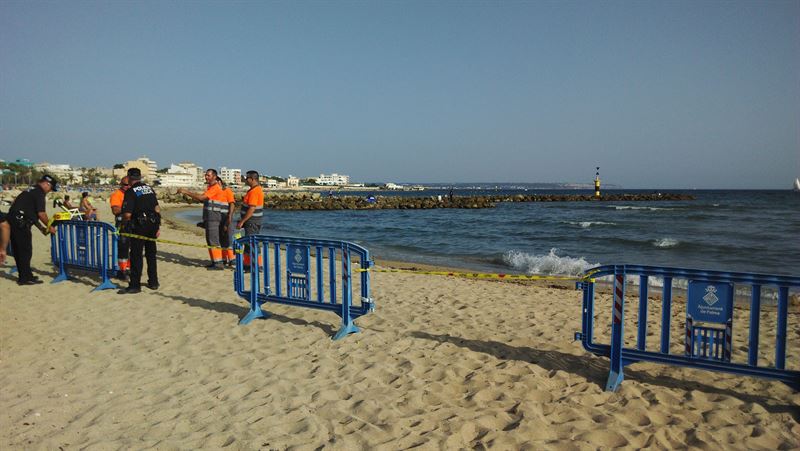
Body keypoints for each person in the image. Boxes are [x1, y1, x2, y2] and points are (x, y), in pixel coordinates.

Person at [7, 175, 58, 285]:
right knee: (25, 251)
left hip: (13, 219)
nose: (49, 191)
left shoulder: (31, 190)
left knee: (18, 250)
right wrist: (50, 226)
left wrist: (41, 229)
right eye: (50, 188)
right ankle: (24, 278)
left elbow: (31, 215)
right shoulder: (39, 193)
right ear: (47, 184)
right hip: (20, 222)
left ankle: (26, 275)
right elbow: (41, 214)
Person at [118, 168, 160, 294]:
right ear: (140, 177)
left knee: (136, 255)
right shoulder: (149, 189)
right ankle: (153, 282)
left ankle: (135, 285)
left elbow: (127, 214)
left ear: (129, 178)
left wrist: (124, 225)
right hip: (153, 224)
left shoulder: (130, 192)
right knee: (151, 254)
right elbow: (157, 208)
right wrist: (158, 226)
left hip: (139, 226)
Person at [177, 169, 226, 270]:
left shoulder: (215, 188)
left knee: (213, 241)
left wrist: (186, 191)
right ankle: (214, 262)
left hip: (214, 218)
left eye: (208, 175)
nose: (206, 177)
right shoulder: (210, 187)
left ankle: (218, 263)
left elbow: (201, 198)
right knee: (210, 240)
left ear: (214, 177)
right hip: (210, 217)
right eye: (206, 175)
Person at [236, 170, 264, 269]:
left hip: (252, 222)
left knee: (252, 243)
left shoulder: (255, 191)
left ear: (252, 179)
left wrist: (242, 221)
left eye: (247, 178)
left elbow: (252, 208)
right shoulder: (253, 190)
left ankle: (256, 265)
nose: (246, 180)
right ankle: (248, 264)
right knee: (249, 244)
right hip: (251, 222)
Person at [109, 176, 131, 280]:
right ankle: (122, 271)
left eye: (129, 184)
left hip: (133, 225)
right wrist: (128, 210)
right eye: (125, 184)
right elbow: (115, 210)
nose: (127, 186)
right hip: (122, 226)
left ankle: (129, 269)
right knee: (123, 249)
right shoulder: (116, 195)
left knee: (133, 250)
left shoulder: (132, 194)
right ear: (121, 184)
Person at [218, 178, 236, 267]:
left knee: (229, 239)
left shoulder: (227, 191)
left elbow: (232, 204)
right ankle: (224, 259)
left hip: (226, 218)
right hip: (218, 219)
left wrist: (229, 218)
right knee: (222, 240)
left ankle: (232, 260)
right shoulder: (213, 192)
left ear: (221, 182)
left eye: (218, 181)